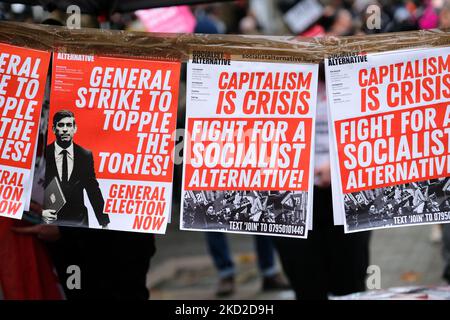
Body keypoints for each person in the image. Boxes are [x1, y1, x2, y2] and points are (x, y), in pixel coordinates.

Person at [273, 76, 371, 300]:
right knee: (305, 280)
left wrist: (339, 162)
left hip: (348, 194)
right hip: (291, 195)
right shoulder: (277, 76)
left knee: (349, 282)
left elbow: (380, 128)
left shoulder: (357, 75)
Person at [43, 110, 109, 228]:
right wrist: (41, 212)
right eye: (61, 125)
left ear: (75, 128)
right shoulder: (45, 153)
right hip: (50, 222)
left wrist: (104, 223)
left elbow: (93, 189)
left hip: (79, 223)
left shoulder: (85, 155)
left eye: (69, 125)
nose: (65, 129)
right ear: (53, 129)